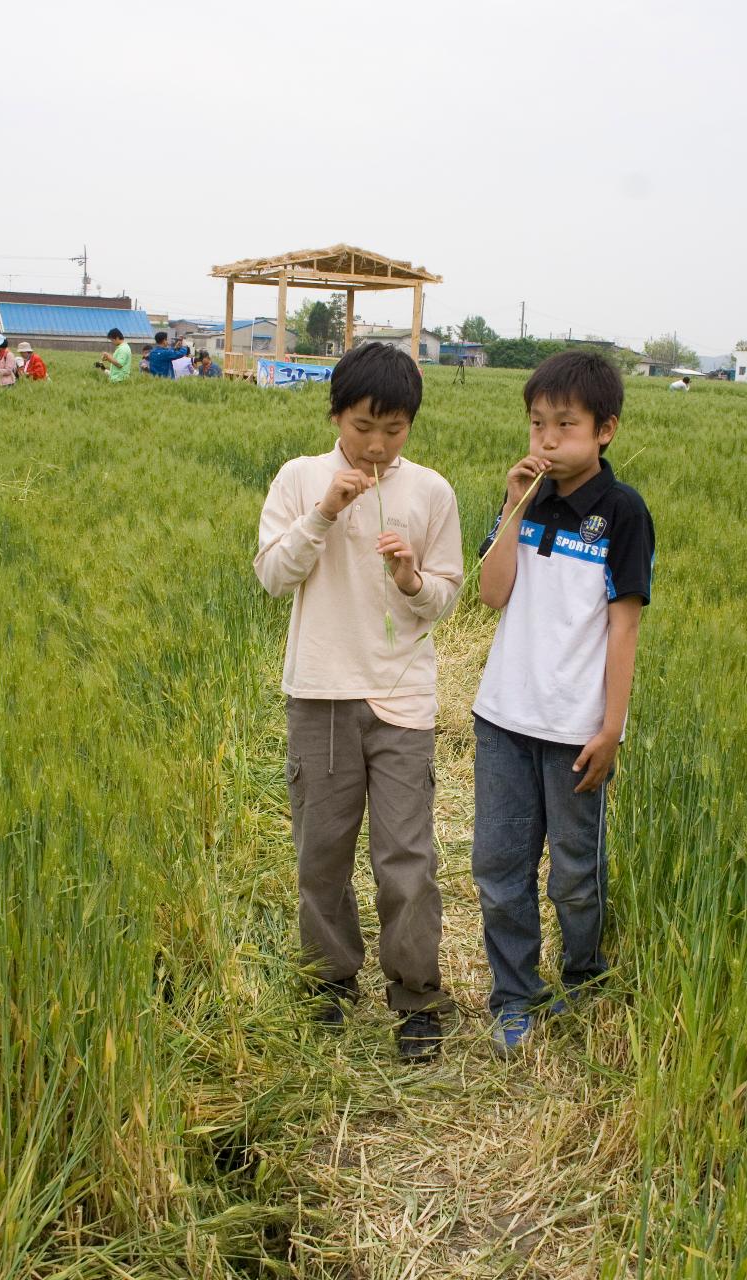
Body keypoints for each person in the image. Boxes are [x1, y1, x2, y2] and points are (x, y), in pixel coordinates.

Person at [253, 342, 463, 1061]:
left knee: (405, 857)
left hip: (403, 696)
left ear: (411, 425)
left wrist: (410, 579)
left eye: (393, 429)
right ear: (336, 412)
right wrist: (321, 515)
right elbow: (273, 578)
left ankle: (415, 997)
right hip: (319, 692)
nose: (375, 445)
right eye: (362, 426)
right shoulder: (298, 477)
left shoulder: (430, 492)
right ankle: (329, 984)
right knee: (322, 854)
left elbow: (443, 598)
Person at [471, 351, 654, 1057]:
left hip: (575, 729)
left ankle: (582, 976)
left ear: (603, 430)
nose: (545, 440)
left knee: (575, 873)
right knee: (498, 867)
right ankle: (514, 995)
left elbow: (623, 624)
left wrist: (611, 727)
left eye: (564, 426)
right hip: (502, 720)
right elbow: (491, 595)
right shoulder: (526, 500)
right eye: (536, 424)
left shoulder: (621, 512)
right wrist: (512, 506)